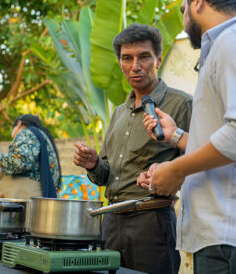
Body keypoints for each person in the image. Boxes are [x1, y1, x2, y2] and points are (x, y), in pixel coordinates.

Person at [137, 0, 236, 273]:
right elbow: (233, 139)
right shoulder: (234, 43)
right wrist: (177, 136)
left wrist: (175, 170)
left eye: (183, 8)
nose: (184, 20)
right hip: (227, 235)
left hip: (233, 236)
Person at [73, 23, 192, 274]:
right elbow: (106, 177)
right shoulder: (118, 113)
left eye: (144, 57)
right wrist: (93, 163)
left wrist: (165, 174)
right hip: (111, 222)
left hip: (151, 222)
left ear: (158, 59)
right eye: (127, 58)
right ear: (120, 64)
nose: (135, 66)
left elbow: (198, 163)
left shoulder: (181, 104)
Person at [0, 114, 61, 199]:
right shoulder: (40, 138)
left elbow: (19, 162)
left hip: (28, 203)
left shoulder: (26, 132)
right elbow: (20, 185)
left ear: (19, 123)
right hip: (33, 200)